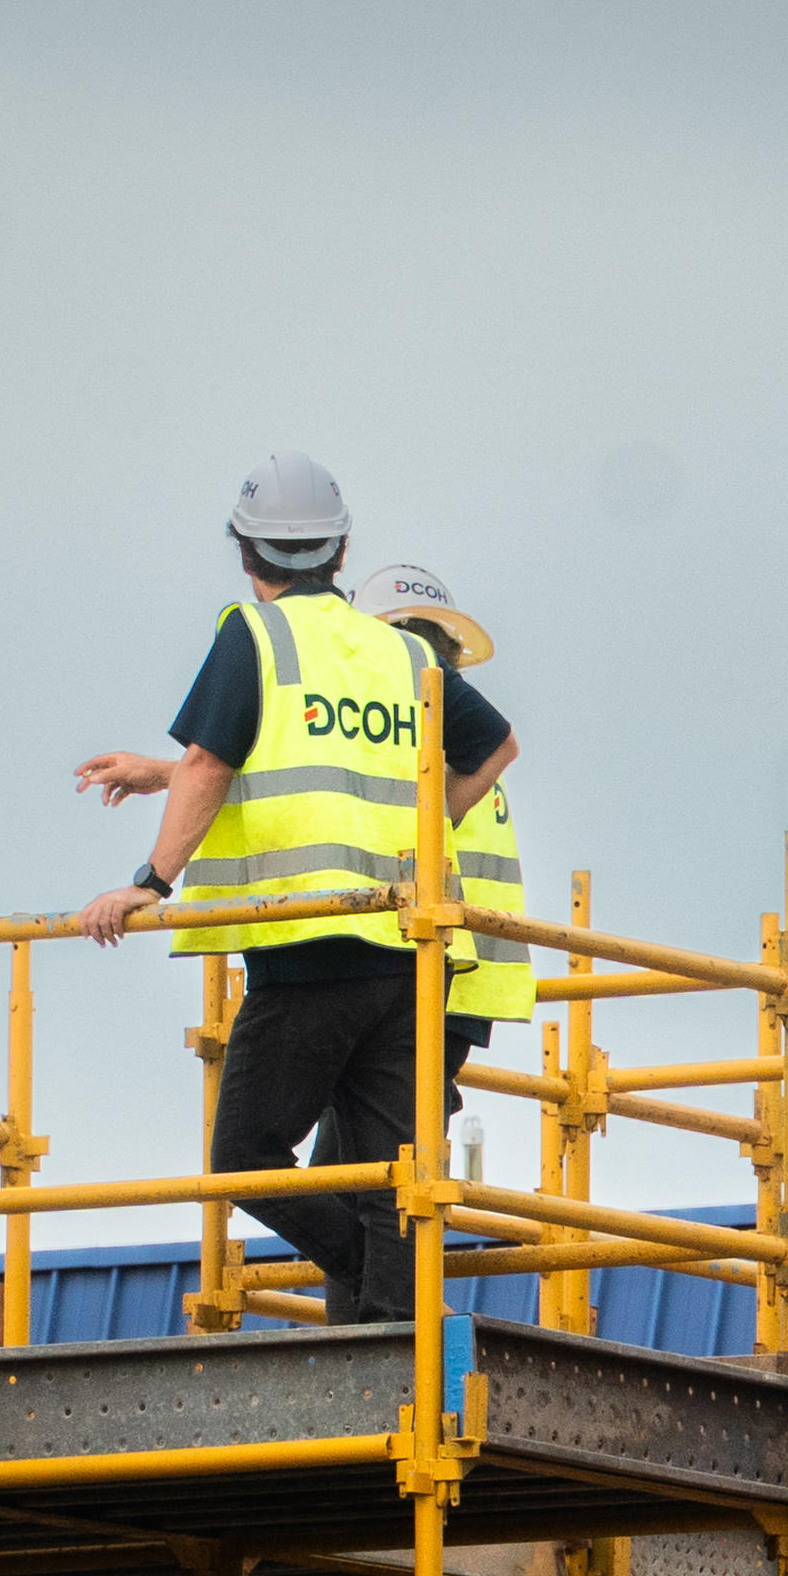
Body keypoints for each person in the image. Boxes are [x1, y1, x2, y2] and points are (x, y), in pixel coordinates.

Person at [73, 457, 512, 1323]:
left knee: (243, 1153)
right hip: (405, 950)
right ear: (341, 550)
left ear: (248, 555)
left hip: (307, 945)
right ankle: (398, 1332)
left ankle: (369, 1286)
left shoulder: (255, 634)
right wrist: (430, 833)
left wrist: (149, 882)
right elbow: (493, 747)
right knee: (396, 1175)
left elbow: (214, 761)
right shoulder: (398, 650)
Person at [351, 559, 532, 1129]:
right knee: (388, 1144)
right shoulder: (457, 738)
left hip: (432, 955)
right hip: (459, 966)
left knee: (378, 1154)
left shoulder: (415, 724)